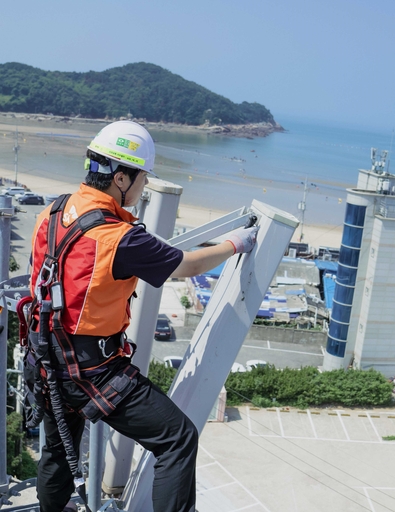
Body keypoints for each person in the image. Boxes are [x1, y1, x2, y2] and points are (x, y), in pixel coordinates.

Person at [28, 120, 258, 512]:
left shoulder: (54, 210)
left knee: (58, 450)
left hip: (45, 356)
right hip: (92, 369)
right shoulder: (119, 237)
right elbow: (186, 265)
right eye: (142, 178)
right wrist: (234, 244)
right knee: (177, 438)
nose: (144, 186)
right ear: (120, 178)